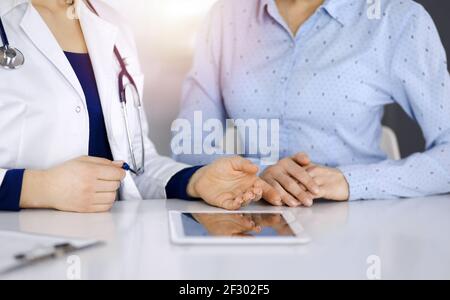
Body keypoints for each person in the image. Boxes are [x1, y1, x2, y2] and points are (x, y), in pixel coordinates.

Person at [0, 0, 280, 212]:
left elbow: (137, 166)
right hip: (21, 249)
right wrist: (36, 188)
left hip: (114, 247)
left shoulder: (112, 25)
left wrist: (194, 181)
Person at [175, 0, 450, 207]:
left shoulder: (397, 20)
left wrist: (351, 181)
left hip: (358, 225)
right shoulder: (226, 15)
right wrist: (257, 172)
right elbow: (188, 146)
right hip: (252, 221)